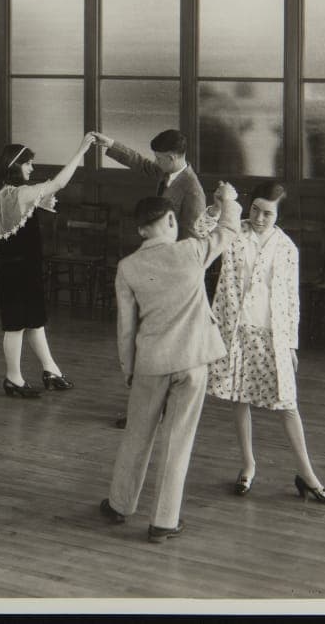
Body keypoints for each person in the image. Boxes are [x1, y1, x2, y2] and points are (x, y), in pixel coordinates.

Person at [99, 184, 240, 543]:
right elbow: (228, 230)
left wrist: (127, 367)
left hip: (150, 362)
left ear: (141, 229)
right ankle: (163, 521)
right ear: (172, 220)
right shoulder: (191, 251)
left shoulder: (128, 267)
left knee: (137, 435)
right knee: (178, 440)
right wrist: (228, 200)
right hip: (193, 360)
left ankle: (119, 505)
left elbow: (125, 327)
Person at [199, 181, 325, 505]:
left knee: (287, 405)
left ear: (279, 215)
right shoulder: (232, 231)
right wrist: (220, 205)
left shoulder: (287, 249)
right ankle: (247, 465)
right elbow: (200, 232)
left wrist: (291, 345)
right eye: (256, 210)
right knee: (239, 397)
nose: (260, 218)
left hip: (272, 334)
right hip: (235, 330)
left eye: (268, 213)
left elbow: (291, 300)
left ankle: (307, 475)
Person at [90, 128, 208, 428]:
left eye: (159, 158)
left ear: (172, 157)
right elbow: (142, 164)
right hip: (154, 271)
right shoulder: (169, 172)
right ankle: (149, 409)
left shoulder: (192, 191)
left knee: (161, 347)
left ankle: (155, 412)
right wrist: (112, 145)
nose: (155, 162)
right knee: (150, 345)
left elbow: (192, 241)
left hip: (172, 278)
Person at [0, 133, 97, 397]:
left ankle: (51, 371)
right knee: (16, 326)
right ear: (15, 166)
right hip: (18, 271)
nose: (32, 168)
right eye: (27, 164)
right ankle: (13, 379)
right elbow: (59, 183)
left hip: (22, 269)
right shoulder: (20, 194)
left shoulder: (9, 193)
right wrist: (82, 149)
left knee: (34, 323)